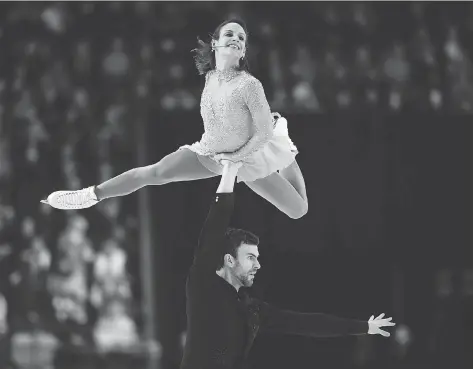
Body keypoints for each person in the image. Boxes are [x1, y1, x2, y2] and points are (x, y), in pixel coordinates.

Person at [41, 18, 308, 219]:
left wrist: (238, 157)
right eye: (230, 34)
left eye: (241, 38)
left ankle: (287, 153)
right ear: (215, 43)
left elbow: (261, 133)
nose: (237, 39)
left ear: (243, 52)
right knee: (155, 173)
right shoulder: (211, 77)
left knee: (298, 210)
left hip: (246, 156)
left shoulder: (250, 85)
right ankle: (89, 195)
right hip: (210, 153)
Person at [180, 160, 395, 369]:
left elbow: (306, 323)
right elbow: (217, 219)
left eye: (257, 257)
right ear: (229, 260)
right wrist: (229, 169)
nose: (258, 265)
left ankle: (286, 156)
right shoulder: (204, 282)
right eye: (250, 257)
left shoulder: (251, 309)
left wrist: (365, 327)